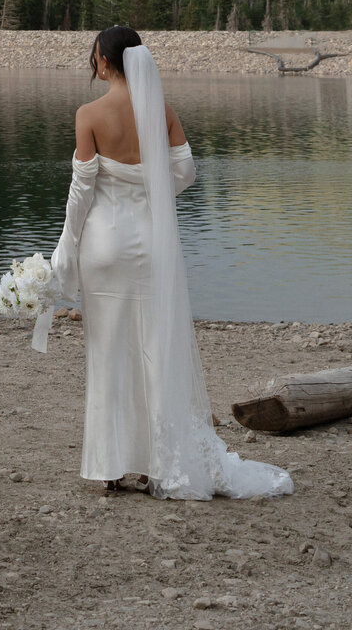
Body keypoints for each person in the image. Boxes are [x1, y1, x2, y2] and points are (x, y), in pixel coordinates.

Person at [39, 25, 293, 501]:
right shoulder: (164, 112)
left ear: (104, 62)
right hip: (152, 242)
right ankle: (158, 465)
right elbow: (185, 173)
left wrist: (63, 252)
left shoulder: (89, 114)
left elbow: (81, 192)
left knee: (108, 354)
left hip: (105, 246)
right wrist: (149, 188)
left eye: (95, 56)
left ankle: (111, 468)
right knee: (156, 353)